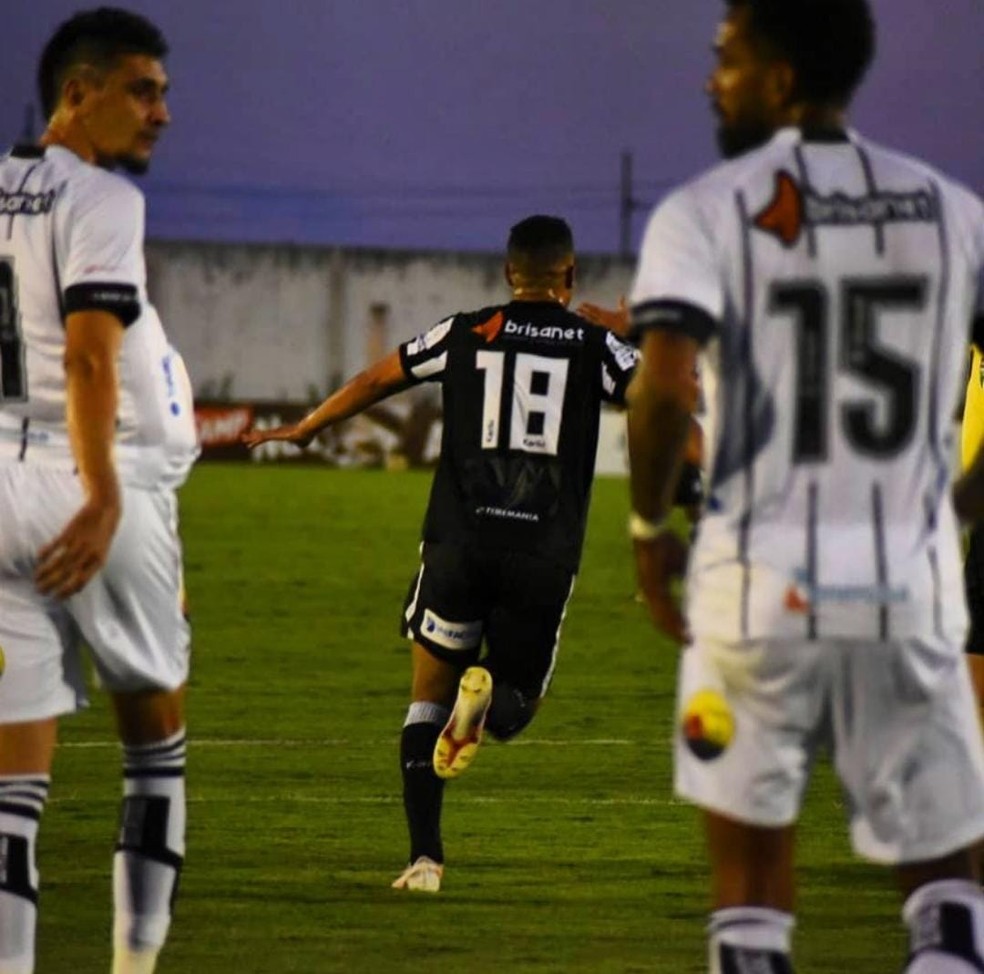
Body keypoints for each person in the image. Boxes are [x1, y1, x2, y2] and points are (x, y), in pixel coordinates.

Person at [624, 1, 984, 971]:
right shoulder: (954, 212)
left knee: (749, 902)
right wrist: (954, 514)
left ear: (781, 78)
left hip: (756, 586)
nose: (713, 80)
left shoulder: (704, 210)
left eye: (727, 59)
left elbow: (661, 392)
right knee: (949, 894)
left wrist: (646, 522)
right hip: (908, 586)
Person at [242, 215, 639, 892]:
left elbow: (377, 379)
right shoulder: (595, 345)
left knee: (424, 704)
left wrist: (310, 427)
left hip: (458, 542)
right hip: (541, 553)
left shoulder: (464, 330)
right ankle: (482, 704)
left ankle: (424, 860)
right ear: (570, 276)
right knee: (517, 703)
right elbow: (665, 403)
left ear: (507, 273)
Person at [0, 10, 197, 974]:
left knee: (10, 795)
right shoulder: (105, 201)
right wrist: (106, 492)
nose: (162, 113)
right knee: (154, 747)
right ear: (76, 95)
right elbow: (88, 358)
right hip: (85, 483)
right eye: (142, 90)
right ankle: (131, 966)